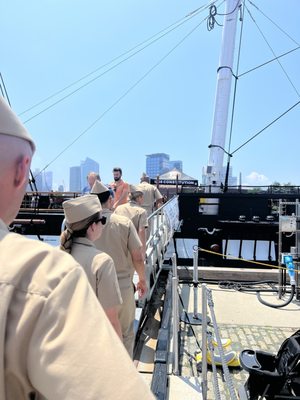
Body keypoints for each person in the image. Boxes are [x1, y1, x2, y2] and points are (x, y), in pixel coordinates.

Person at [0, 96, 155, 399]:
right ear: (22, 169)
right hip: (119, 295)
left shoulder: (62, 252)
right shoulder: (47, 276)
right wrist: (143, 280)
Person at [91, 180, 147, 357]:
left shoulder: (86, 225)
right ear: (109, 200)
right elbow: (137, 256)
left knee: (97, 337)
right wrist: (142, 280)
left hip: (94, 288)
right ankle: (124, 378)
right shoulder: (123, 223)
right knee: (125, 334)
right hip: (122, 287)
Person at [60, 194, 123, 338]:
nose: (103, 224)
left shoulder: (54, 256)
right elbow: (112, 321)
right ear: (92, 227)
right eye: (102, 220)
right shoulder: (102, 262)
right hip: (90, 344)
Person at [114, 184, 148, 257]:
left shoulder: (118, 208)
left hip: (118, 248)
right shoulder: (141, 211)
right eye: (142, 197)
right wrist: (142, 254)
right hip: (132, 250)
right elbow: (141, 232)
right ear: (139, 198)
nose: (143, 199)